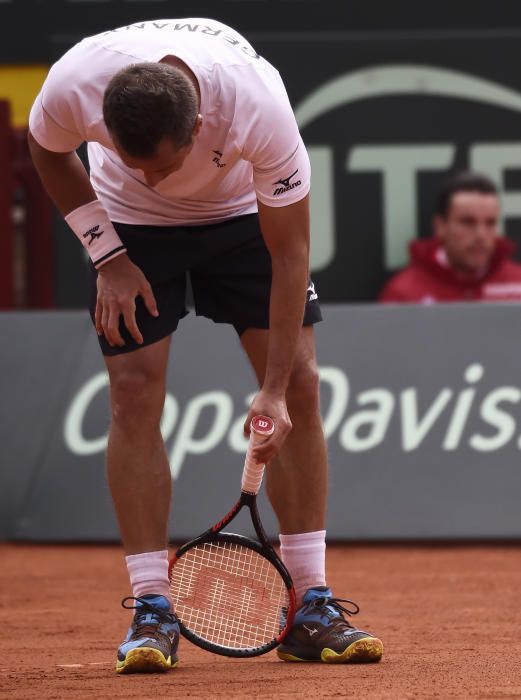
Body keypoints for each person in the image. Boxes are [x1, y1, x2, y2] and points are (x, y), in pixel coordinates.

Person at [28, 18, 383, 673]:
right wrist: (107, 256)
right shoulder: (76, 82)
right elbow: (48, 150)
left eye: (159, 166)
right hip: (129, 231)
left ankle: (311, 600)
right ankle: (152, 606)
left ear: (199, 130)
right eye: (133, 163)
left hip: (241, 219)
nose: (152, 179)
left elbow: (290, 253)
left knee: (301, 384)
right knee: (132, 392)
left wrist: (273, 390)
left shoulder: (257, 106)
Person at [379, 171, 521, 303]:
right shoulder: (404, 293)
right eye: (467, 222)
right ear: (440, 226)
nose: (481, 235)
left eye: (490, 223)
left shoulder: (517, 282)